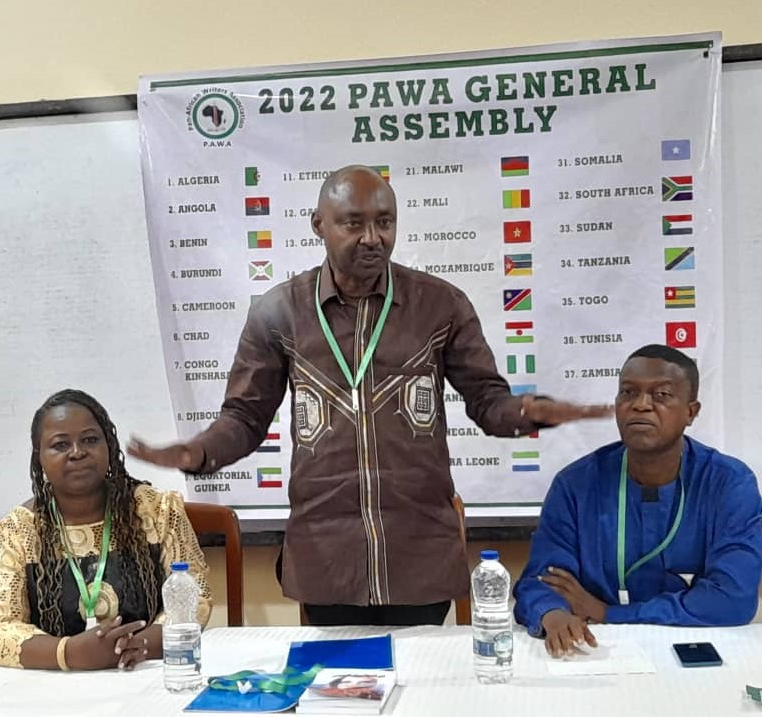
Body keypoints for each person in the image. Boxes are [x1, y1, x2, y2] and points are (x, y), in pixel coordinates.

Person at [129, 165, 611, 626]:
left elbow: (488, 402)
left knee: (418, 691)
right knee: (338, 699)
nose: (372, 237)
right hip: (326, 557)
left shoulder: (439, 305)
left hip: (419, 553)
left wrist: (527, 412)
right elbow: (245, 418)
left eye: (384, 222)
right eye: (353, 223)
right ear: (319, 224)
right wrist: (199, 451)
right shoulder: (280, 312)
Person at [514, 345, 762, 657]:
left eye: (661, 395)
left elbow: (732, 600)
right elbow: (542, 582)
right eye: (628, 393)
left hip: (692, 650)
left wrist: (608, 613)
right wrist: (553, 615)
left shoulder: (729, 484)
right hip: (595, 647)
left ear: (691, 411)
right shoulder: (576, 484)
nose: (641, 405)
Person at [0, 389, 212, 670]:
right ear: (39, 457)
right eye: (60, 445)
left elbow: (196, 597)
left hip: (147, 672)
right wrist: (69, 653)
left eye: (90, 440)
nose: (77, 452)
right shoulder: (15, 531)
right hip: (53, 688)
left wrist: (143, 645)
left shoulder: (158, 512)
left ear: (109, 446)